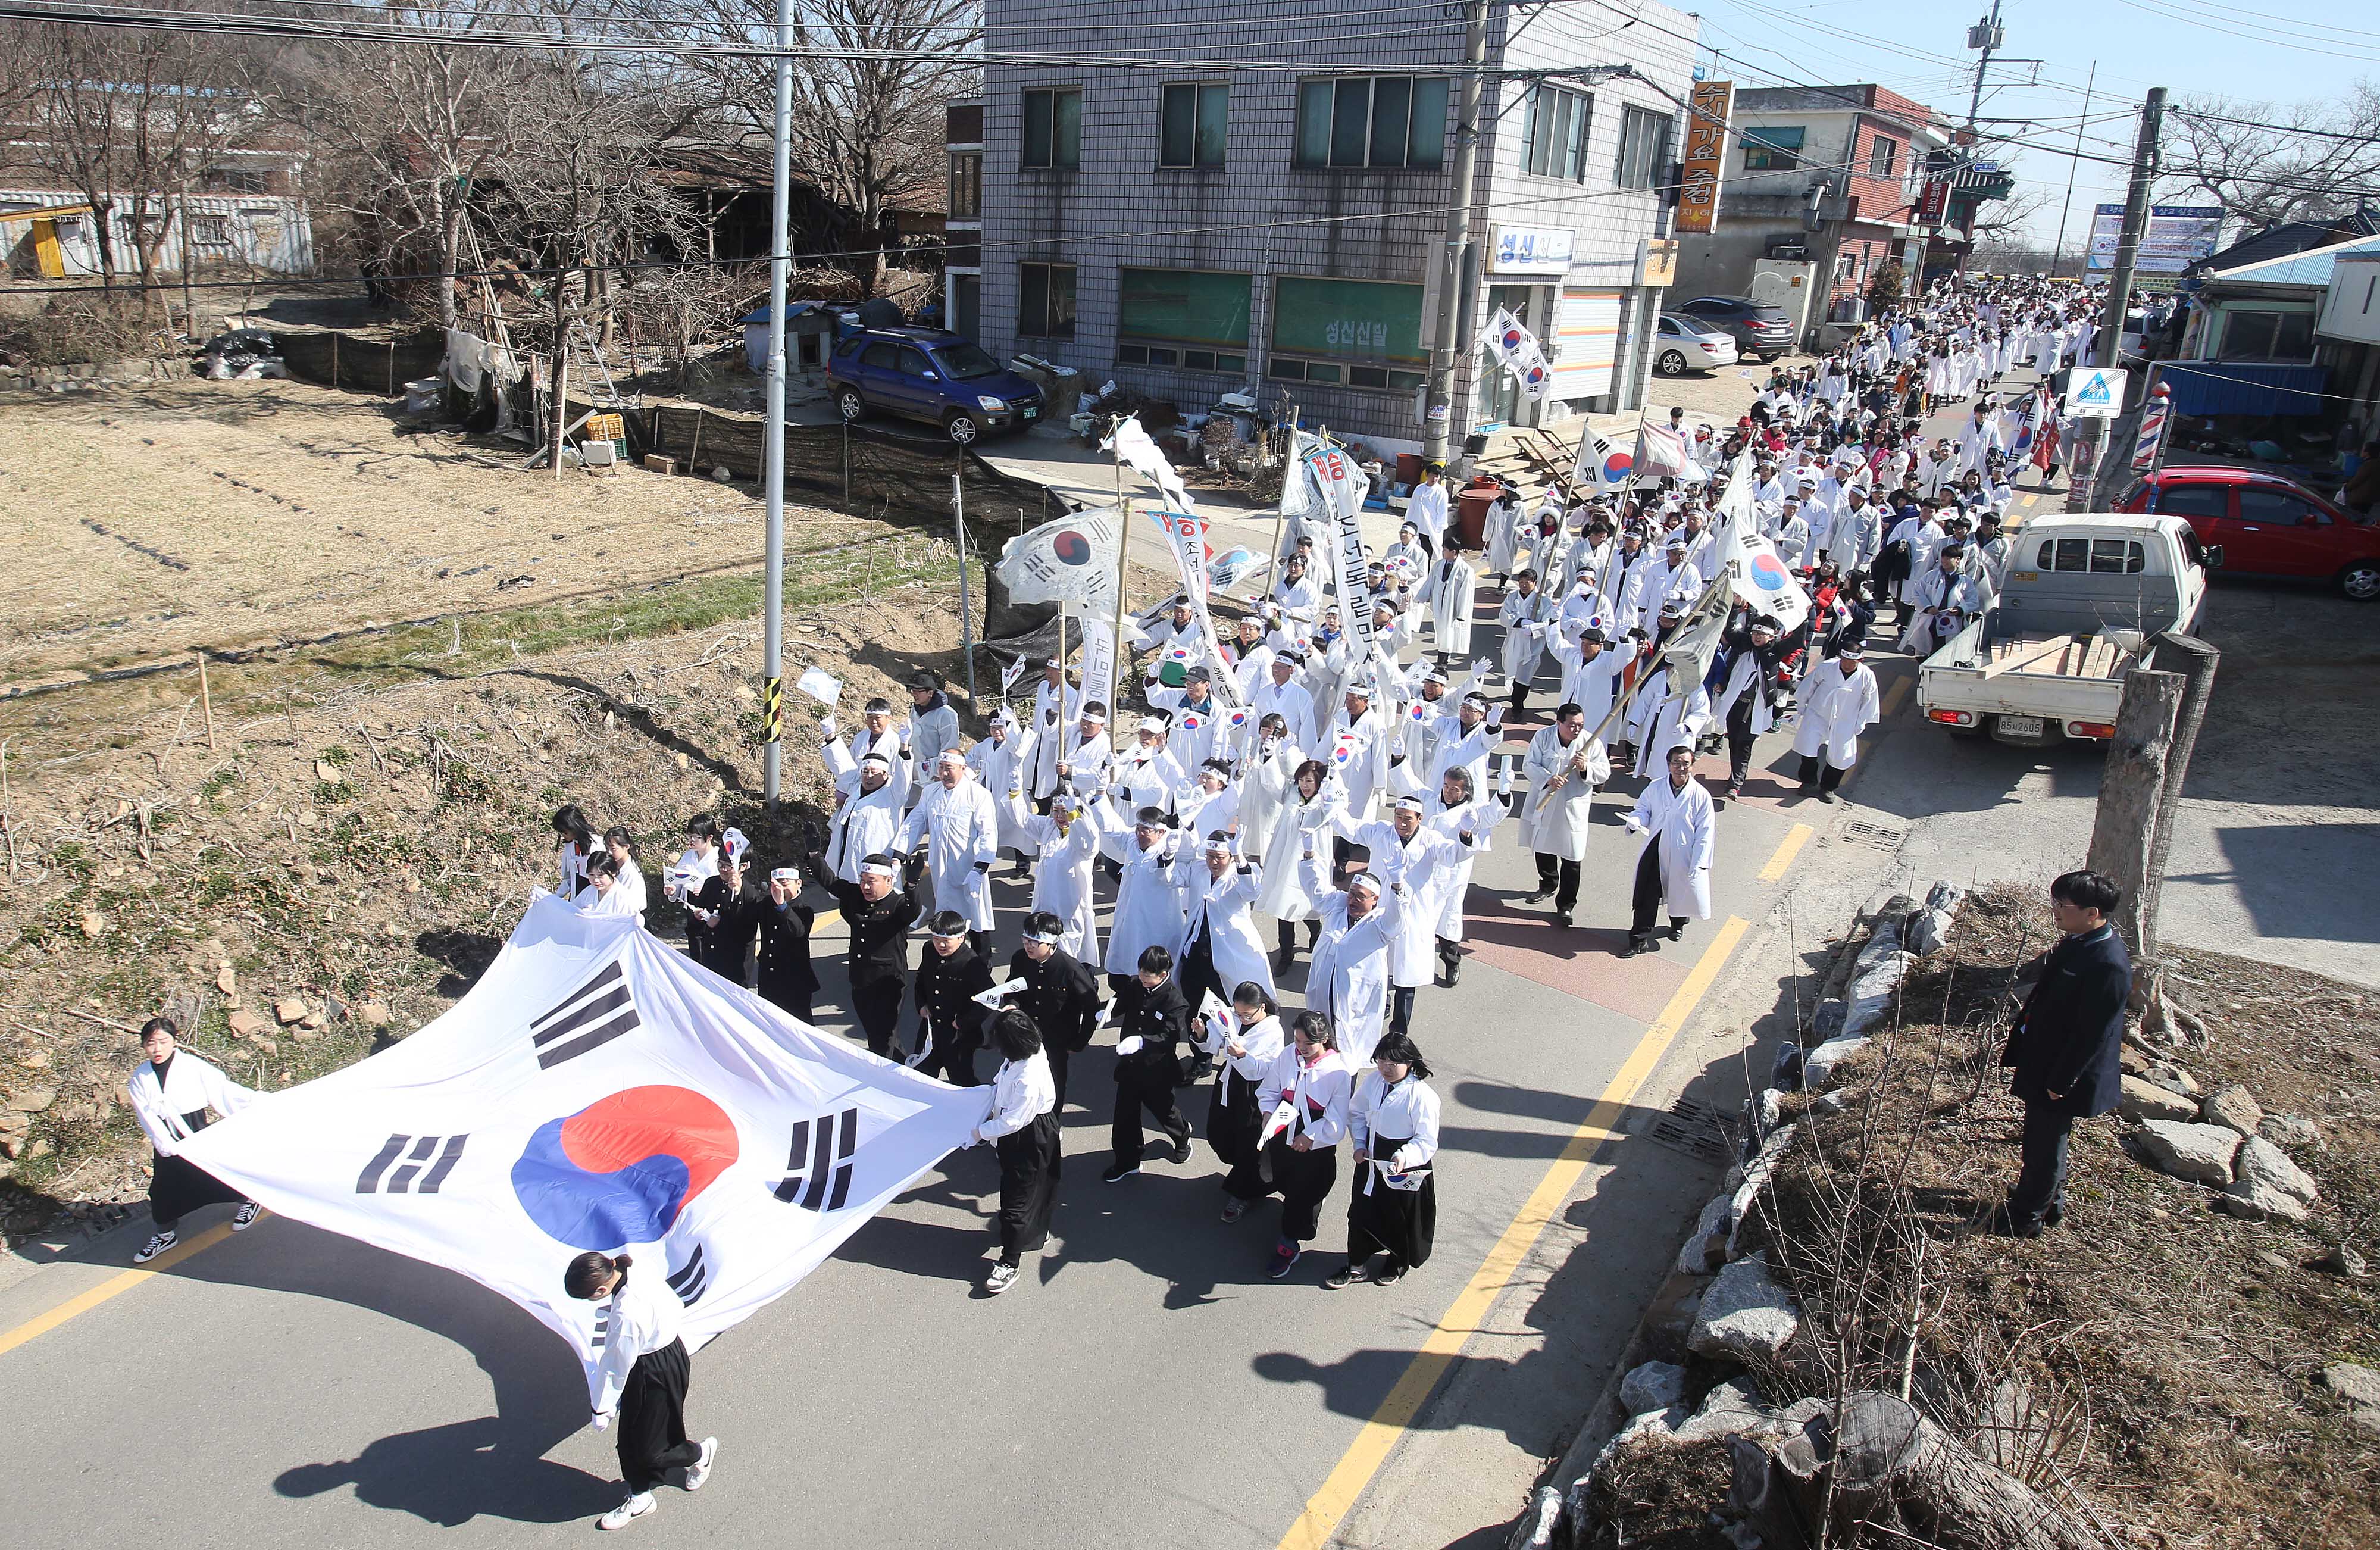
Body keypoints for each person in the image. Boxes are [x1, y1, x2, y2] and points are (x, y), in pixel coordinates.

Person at [1993, 870, 2132, 1238]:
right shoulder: (2079, 940)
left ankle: (2025, 1218)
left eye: (2063, 905)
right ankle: (2048, 1202)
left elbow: (2093, 1033)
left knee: (2045, 1144)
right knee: (2043, 1139)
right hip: (2046, 1060)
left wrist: (2061, 1081)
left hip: (2063, 1073)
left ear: (2092, 913)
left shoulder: (2109, 964)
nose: (2055, 910)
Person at [564, 1249, 718, 1531]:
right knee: (632, 1439)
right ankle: (640, 1495)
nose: (591, 1301)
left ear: (601, 1289)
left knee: (649, 1449)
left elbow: (615, 1365)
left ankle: (699, 1454)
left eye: (590, 1297)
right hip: (669, 1354)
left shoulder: (627, 1315)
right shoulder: (637, 1266)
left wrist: (602, 1407)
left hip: (652, 1369)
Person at [127, 1017, 261, 1263]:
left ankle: (250, 1198)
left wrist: (254, 1103)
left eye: (163, 1042)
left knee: (214, 1174)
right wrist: (163, 1142)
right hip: (165, 1138)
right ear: (144, 1046)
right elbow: (145, 1114)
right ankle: (165, 1234)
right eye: (150, 1044)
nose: (157, 1049)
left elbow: (223, 1090)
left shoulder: (192, 1066)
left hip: (195, 1130)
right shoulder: (140, 1077)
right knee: (163, 1189)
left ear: (174, 1041)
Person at [1331, 1030, 1440, 1288]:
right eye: (1382, 1061)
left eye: (1393, 1063)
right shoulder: (1373, 1083)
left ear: (1409, 1063)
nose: (1386, 1068)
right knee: (1360, 1212)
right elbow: (1356, 1113)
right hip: (1372, 1161)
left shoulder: (1423, 1097)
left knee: (1398, 1218)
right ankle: (1356, 1265)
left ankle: (1397, 1260)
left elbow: (1426, 1141)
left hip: (1403, 1168)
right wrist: (1359, 1143)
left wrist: (1404, 1157)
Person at [1253, 1011, 1352, 1280]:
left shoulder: (1338, 1072)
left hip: (1313, 1147)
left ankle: (1288, 1245)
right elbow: (1270, 1090)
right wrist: (1266, 1113)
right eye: (1297, 1041)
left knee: (1304, 1194)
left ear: (1324, 1040)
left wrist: (1311, 1137)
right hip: (1283, 1135)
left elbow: (1336, 1118)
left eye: (1308, 1044)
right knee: (1284, 1180)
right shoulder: (1288, 1055)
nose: (1301, 1048)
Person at [973, 1008, 1060, 1294]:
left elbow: (1013, 1121)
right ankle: (1036, 1232)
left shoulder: (1028, 1078)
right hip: (1033, 1130)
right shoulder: (1029, 1052)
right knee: (1039, 1184)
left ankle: (1009, 1263)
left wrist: (981, 1133)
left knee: (1016, 1199)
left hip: (1027, 1136)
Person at [806, 850, 921, 1060]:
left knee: (884, 1036)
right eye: (863, 880)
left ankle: (885, 1077)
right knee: (875, 1033)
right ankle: (901, 1064)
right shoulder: (857, 895)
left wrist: (912, 885)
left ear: (889, 880)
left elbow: (913, 911)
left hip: (888, 982)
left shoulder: (898, 904)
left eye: (872, 881)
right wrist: (815, 855)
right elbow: (831, 882)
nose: (865, 887)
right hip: (861, 978)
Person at [1105, 944, 1194, 1183]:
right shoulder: (1136, 985)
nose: (1142, 978)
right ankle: (1127, 1161)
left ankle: (1183, 1135)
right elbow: (1121, 1002)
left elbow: (1169, 1036)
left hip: (1158, 1070)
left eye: (1147, 975)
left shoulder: (1175, 1002)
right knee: (1125, 1115)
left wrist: (1143, 1042)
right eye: (1141, 972)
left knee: (1164, 1111)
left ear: (1163, 975)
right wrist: (1106, 1012)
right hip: (1130, 1065)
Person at [1520, 702, 1611, 929]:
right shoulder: (1543, 737)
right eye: (1571, 725)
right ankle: (1548, 884)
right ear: (1558, 722)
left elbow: (1604, 772)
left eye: (1580, 725)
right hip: (1546, 800)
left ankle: (1566, 904)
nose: (1576, 730)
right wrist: (1548, 778)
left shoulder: (1591, 743)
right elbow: (1529, 764)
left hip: (1572, 806)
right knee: (1542, 845)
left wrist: (1584, 768)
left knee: (1572, 856)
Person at [900, 749, 999, 954]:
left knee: (976, 920)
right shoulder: (931, 793)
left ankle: (982, 964)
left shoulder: (978, 794)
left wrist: (980, 867)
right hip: (942, 870)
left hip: (969, 871)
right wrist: (899, 854)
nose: (944, 774)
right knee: (946, 919)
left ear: (963, 769)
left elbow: (987, 832)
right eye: (941, 768)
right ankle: (948, 963)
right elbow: (916, 822)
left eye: (950, 769)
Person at [1621, 745, 1716, 958]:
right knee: (1647, 894)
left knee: (1680, 891)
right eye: (1676, 763)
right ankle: (1639, 939)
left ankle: (1678, 923)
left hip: (1684, 852)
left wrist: (1699, 862)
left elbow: (1705, 831)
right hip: (1656, 847)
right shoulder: (1656, 787)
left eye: (1685, 764)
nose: (1680, 768)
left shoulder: (1701, 796)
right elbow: (1643, 808)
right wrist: (1636, 820)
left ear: (1692, 766)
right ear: (1668, 764)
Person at [1203, 982, 1288, 1216]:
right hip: (1229, 1083)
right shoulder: (1235, 1017)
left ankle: (1243, 1195)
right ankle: (1241, 1174)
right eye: (1238, 1013)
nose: (1241, 1018)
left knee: (1247, 1146)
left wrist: (1243, 1057)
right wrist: (1203, 1033)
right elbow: (1217, 1040)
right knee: (1218, 1133)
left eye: (1247, 1014)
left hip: (1252, 1092)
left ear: (1261, 1007)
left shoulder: (1273, 1031)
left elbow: (1264, 1069)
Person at [1006, 911, 1102, 1112]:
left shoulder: (1071, 968)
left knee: (1054, 1084)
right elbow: (1013, 987)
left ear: (1051, 943)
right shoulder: (1020, 959)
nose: (1028, 945)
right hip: (1025, 1034)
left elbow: (1092, 1007)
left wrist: (1080, 1041)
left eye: (1035, 942)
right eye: (1026, 939)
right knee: (1018, 1079)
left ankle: (1051, 1124)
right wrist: (1013, 1005)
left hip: (1056, 1040)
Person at [1305, 871, 1403, 1063]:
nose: (1353, 900)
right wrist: (1309, 856)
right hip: (1325, 990)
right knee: (1319, 1045)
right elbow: (1316, 890)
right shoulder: (1338, 908)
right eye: (1351, 894)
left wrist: (1397, 888)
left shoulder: (1379, 924)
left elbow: (1396, 921)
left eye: (1361, 897)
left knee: (1348, 1051)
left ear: (1375, 899)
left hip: (1354, 1001)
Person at [1257, 760, 1344, 974]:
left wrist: (1335, 778)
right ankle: (1286, 953)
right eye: (1302, 780)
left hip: (1312, 861)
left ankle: (1316, 935)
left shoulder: (1325, 802)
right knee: (1283, 906)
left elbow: (1341, 801)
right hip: (1285, 860)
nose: (1305, 785)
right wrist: (1271, 756)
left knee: (1310, 909)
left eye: (1310, 781)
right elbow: (1274, 784)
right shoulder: (1292, 794)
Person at [911, 910, 993, 1084]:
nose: (940, 946)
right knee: (920, 1077)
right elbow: (921, 979)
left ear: (961, 938)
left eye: (946, 941)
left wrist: (964, 1022)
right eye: (936, 940)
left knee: (962, 1080)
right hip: (931, 1030)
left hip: (958, 1037)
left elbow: (990, 998)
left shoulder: (972, 963)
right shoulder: (929, 950)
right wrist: (922, 1004)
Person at [1792, 643, 1881, 803]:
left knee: (1840, 756)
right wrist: (1802, 704)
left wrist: (1861, 722)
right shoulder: (1827, 667)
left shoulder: (1867, 676)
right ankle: (1808, 781)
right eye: (1844, 660)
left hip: (1845, 720)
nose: (1847, 665)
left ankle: (1828, 787)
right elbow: (1810, 685)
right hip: (1818, 714)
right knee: (1808, 748)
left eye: (1851, 662)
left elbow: (1870, 700)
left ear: (1861, 660)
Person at [756, 865, 819, 1021]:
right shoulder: (766, 904)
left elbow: (798, 931)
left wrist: (782, 906)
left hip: (795, 981)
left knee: (799, 1026)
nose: (780, 889)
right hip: (769, 977)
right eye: (776, 884)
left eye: (785, 885)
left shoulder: (805, 910)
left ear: (799, 884)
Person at [687, 850, 753, 983]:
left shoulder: (749, 893)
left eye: (729, 866)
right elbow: (694, 927)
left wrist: (719, 925)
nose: (723, 869)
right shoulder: (711, 884)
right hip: (709, 958)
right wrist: (697, 918)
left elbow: (747, 933)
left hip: (735, 964)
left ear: (743, 867)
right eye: (720, 864)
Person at [664, 815, 722, 960]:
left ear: (709, 837)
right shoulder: (688, 856)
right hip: (691, 903)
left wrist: (705, 888)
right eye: (689, 836)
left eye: (696, 837)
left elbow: (721, 883)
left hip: (710, 906)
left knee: (709, 944)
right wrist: (672, 889)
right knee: (694, 939)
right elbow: (678, 878)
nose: (691, 840)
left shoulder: (718, 857)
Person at [553, 804, 599, 902]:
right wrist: (555, 898)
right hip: (576, 900)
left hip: (593, 902)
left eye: (565, 832)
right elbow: (569, 879)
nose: (563, 835)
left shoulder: (597, 845)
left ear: (575, 827)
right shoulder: (570, 847)